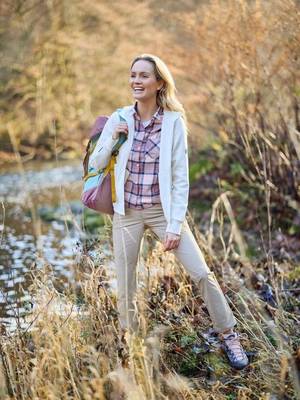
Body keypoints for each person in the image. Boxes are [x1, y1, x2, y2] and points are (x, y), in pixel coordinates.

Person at [89, 54, 249, 370]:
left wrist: (175, 224)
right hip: (127, 214)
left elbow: (180, 176)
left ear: (159, 83)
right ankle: (132, 345)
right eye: (133, 75)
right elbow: (94, 165)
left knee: (202, 273)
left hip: (163, 213)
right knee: (126, 282)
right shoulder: (119, 117)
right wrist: (113, 139)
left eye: (144, 76)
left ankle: (229, 335)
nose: (136, 81)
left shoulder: (174, 122)